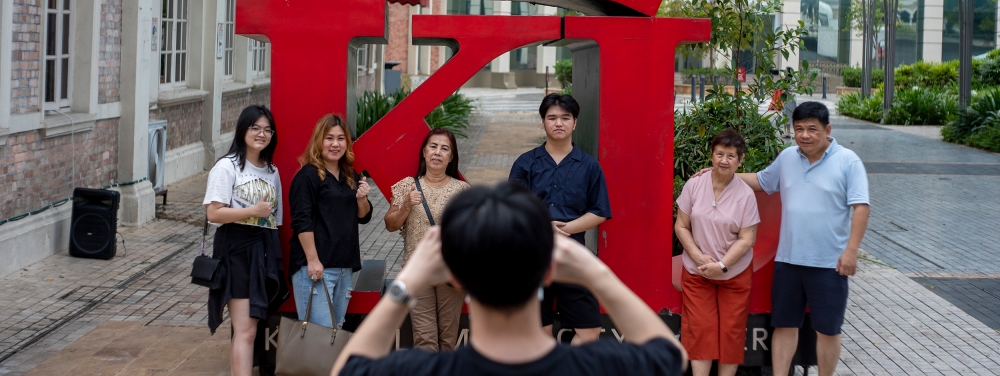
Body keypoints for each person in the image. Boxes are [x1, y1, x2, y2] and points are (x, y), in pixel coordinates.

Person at [333, 183, 687, 376]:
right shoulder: (595, 367)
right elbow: (671, 356)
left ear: (455, 277)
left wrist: (409, 279)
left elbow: (348, 367)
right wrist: (594, 271)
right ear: (550, 269)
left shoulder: (424, 369)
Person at [697, 101, 869, 376]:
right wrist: (719, 173)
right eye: (799, 128)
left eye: (812, 129)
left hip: (829, 264)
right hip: (788, 261)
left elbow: (861, 207)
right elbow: (762, 181)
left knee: (827, 329)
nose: (804, 135)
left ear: (827, 130)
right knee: (784, 325)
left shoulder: (848, 161)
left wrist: (851, 251)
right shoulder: (788, 157)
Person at [509, 93, 611, 344]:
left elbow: (599, 211)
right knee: (540, 333)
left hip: (572, 254)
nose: (559, 123)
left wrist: (560, 230)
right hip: (533, 256)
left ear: (575, 123)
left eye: (565, 118)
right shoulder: (525, 164)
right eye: (552, 118)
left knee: (589, 333)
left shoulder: (589, 166)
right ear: (543, 122)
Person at [203, 104, 285, 376]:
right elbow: (213, 213)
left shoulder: (271, 170)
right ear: (243, 130)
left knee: (251, 328)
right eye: (255, 128)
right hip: (235, 249)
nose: (261, 134)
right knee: (245, 329)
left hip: (262, 250)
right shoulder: (227, 167)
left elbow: (276, 219)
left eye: (267, 130)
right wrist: (252, 211)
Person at [674, 129, 759, 376]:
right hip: (697, 272)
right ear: (711, 155)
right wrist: (700, 258)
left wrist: (722, 265)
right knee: (699, 329)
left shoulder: (745, 194)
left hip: (734, 274)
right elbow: (681, 226)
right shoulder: (694, 184)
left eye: (731, 156)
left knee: (732, 331)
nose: (724, 160)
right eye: (719, 153)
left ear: (740, 161)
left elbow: (747, 238)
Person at [384, 128, 470, 351]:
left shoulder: (462, 191)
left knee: (448, 341)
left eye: (445, 149)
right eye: (433, 146)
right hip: (417, 272)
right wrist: (406, 205)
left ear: (451, 156)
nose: (437, 153)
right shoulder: (407, 186)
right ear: (424, 151)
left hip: (449, 274)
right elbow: (390, 225)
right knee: (425, 341)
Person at [289, 114, 373, 330]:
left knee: (334, 336)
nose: (335, 144)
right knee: (320, 336)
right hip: (317, 268)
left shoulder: (349, 174)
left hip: (344, 266)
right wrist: (313, 260)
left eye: (340, 138)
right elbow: (302, 221)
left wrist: (362, 199)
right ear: (319, 141)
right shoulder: (307, 176)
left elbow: (363, 217)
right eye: (329, 138)